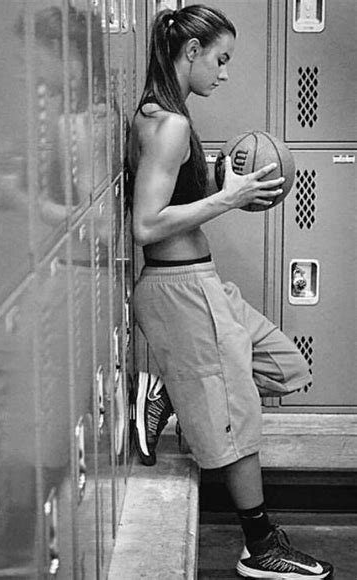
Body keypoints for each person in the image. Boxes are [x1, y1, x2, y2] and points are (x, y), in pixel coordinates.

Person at [126, 5, 333, 579]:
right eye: (220, 59)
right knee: (234, 415)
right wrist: (228, 199)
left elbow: (171, 198)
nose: (224, 72)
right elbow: (146, 224)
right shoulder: (166, 123)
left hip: (205, 282)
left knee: (284, 366)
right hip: (180, 289)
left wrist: (217, 177)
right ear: (189, 52)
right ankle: (261, 546)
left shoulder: (173, 116)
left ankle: (173, 389)